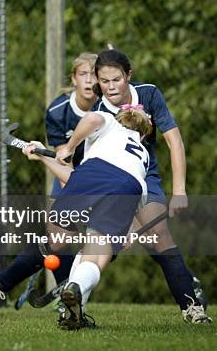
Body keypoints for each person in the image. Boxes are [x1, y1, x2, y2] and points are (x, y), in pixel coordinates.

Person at [0, 52, 97, 317]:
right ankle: (0, 286)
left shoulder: (109, 107)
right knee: (58, 242)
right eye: (83, 74)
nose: (89, 80)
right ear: (73, 78)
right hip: (72, 178)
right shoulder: (58, 111)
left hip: (106, 181)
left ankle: (65, 293)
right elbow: (67, 170)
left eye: (95, 74)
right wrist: (42, 154)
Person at [92, 48, 210, 324]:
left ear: (129, 76)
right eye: (104, 81)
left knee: (158, 233)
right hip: (114, 185)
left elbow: (174, 141)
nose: (110, 88)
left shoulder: (150, 94)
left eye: (116, 80)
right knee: (104, 246)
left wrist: (179, 191)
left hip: (146, 178)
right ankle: (73, 304)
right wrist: (129, 221)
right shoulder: (98, 114)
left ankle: (192, 308)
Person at [24, 107, 152, 329]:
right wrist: (131, 227)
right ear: (142, 135)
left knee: (60, 242)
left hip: (91, 176)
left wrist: (69, 147)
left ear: (121, 120)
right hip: (128, 188)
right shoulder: (144, 155)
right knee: (95, 256)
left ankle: (72, 309)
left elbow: (92, 119)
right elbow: (131, 190)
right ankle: (75, 290)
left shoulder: (111, 123)